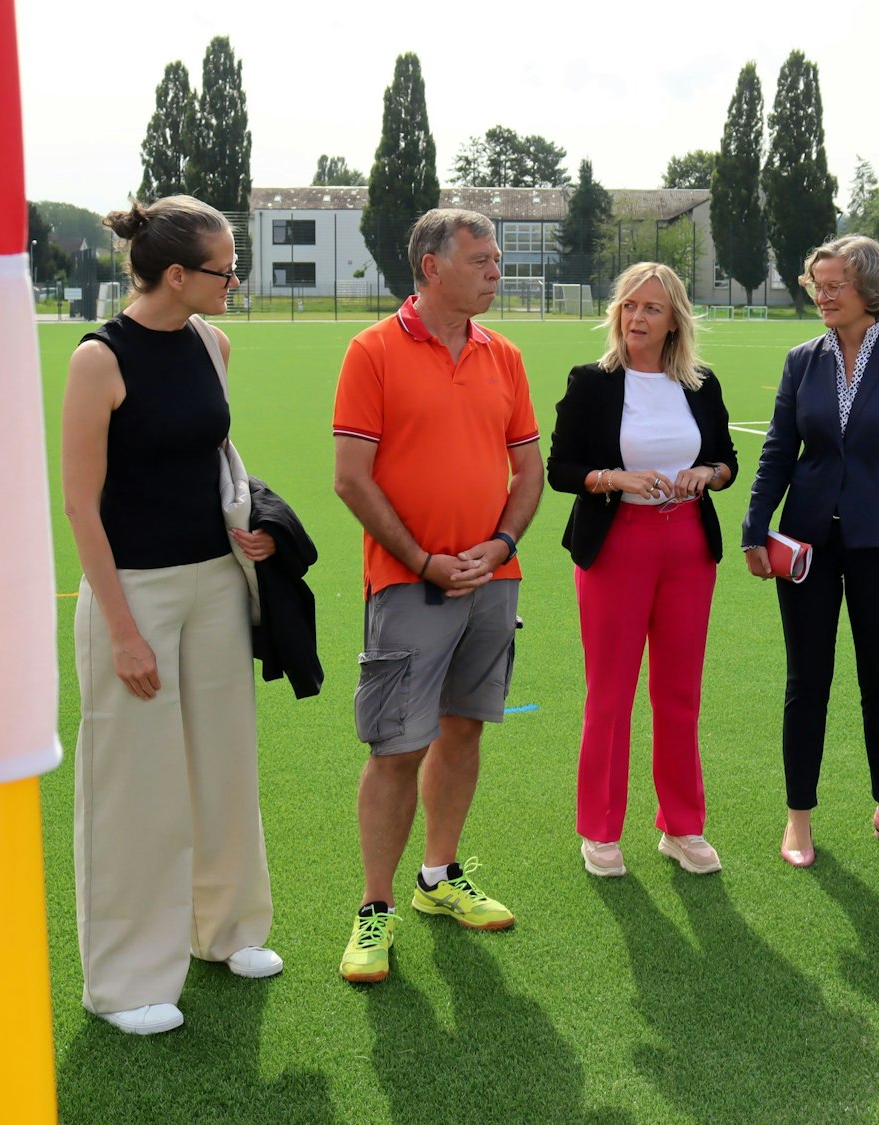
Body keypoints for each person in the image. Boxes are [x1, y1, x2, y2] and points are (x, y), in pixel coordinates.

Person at [62, 195, 281, 1036]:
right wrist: (120, 628)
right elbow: (82, 507)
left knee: (225, 764)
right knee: (134, 791)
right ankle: (123, 982)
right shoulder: (99, 359)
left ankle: (226, 931)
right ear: (179, 273)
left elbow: (215, 465)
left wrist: (249, 533)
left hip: (217, 581)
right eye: (227, 268)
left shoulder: (212, 343)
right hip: (135, 592)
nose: (238, 280)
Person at [333, 209, 542, 983]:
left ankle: (438, 878)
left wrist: (502, 545)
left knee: (464, 732)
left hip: (493, 580)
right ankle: (375, 907)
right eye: (482, 259)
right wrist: (423, 560)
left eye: (496, 259)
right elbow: (351, 478)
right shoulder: (373, 351)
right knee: (397, 748)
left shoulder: (505, 355)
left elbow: (530, 472)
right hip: (407, 584)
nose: (496, 271)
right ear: (432, 266)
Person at [742, 235, 879, 867]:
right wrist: (754, 527)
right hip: (806, 545)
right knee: (808, 682)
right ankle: (798, 818)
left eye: (835, 285)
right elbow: (778, 448)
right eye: (815, 284)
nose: (822, 296)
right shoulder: (802, 360)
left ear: (870, 290)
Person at [546, 262, 740, 878]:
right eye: (629, 306)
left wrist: (706, 475)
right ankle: (600, 830)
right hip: (617, 546)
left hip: (687, 547)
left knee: (679, 693)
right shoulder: (592, 382)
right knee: (611, 693)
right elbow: (561, 469)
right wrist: (614, 479)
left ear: (673, 319)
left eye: (651, 309)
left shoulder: (700, 385)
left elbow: (727, 462)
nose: (637, 318)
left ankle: (680, 827)